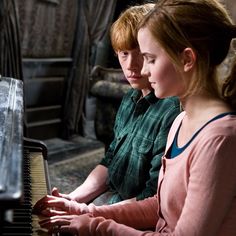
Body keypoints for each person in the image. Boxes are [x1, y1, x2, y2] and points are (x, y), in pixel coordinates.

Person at [34, 0, 236, 235]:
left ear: (187, 59)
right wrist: (80, 210)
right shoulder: (182, 121)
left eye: (150, 58)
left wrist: (97, 227)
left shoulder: (220, 138)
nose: (143, 70)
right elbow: (159, 206)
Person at [36, 3, 180, 207]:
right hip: (113, 201)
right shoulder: (129, 98)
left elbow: (154, 197)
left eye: (140, 53)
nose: (130, 65)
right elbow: (111, 160)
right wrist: (73, 198)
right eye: (124, 53)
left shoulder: (172, 112)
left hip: (137, 214)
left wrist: (89, 214)